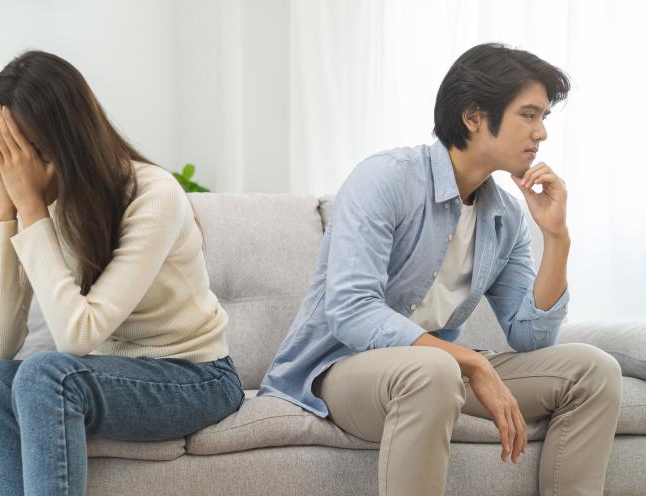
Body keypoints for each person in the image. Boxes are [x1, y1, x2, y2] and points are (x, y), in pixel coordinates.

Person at [258, 42, 622, 496]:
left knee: (594, 369)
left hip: (440, 374)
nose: (542, 132)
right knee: (433, 370)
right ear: (473, 117)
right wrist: (470, 361)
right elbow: (351, 310)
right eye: (529, 115)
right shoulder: (385, 179)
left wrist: (557, 237)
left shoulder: (505, 216)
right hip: (342, 370)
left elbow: (532, 338)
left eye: (544, 117)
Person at [0, 50, 245, 496]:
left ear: (64, 141)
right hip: (106, 374)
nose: (16, 167)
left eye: (22, 151)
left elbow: (78, 337)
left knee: (46, 374)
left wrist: (31, 208)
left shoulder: (153, 193)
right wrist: (6, 211)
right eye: (3, 152)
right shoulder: (38, 202)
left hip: (196, 377)